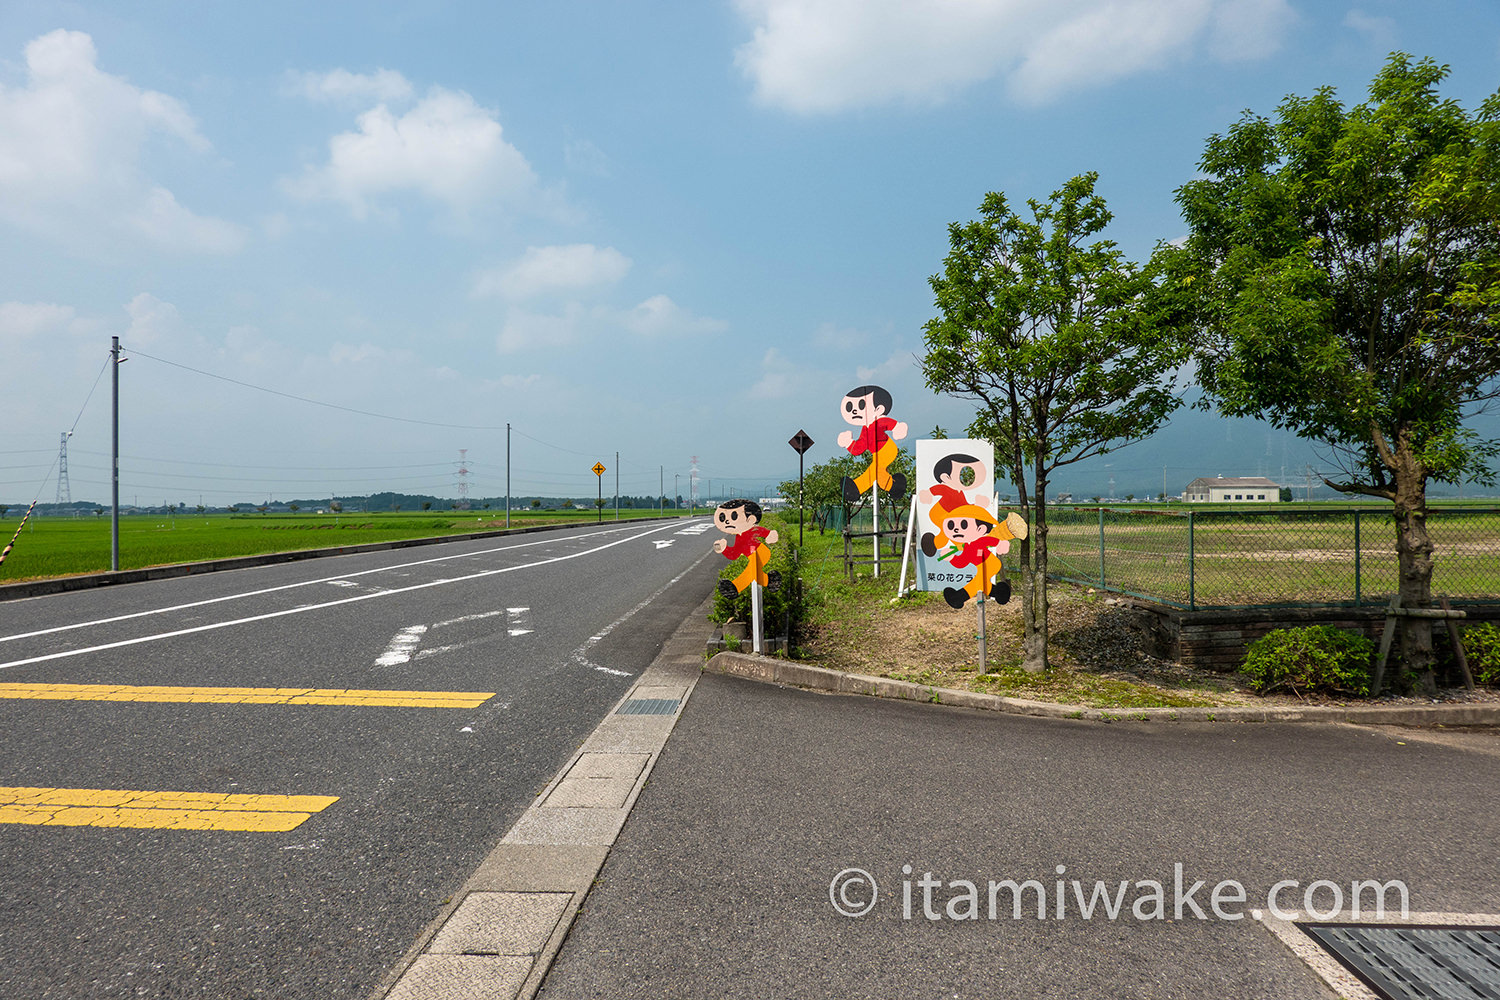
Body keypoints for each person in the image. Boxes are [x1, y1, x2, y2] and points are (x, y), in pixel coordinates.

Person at [836, 384, 907, 503]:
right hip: (877, 454)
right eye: (850, 407)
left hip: (887, 449)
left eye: (861, 405)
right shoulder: (865, 430)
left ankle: (857, 488)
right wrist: (848, 443)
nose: (854, 410)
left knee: (875, 470)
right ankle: (894, 487)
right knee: (879, 474)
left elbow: (890, 424)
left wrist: (898, 428)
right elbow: (859, 447)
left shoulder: (880, 421)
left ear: (878, 409)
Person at [712, 498, 780, 598]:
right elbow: (735, 554)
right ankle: (770, 580)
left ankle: (736, 587)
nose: (727, 521)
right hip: (753, 556)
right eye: (723, 518)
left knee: (751, 568)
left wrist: (770, 535)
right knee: (754, 573)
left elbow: (763, 532)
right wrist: (724, 549)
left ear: (751, 519)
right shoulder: (739, 538)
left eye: (734, 516)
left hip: (761, 552)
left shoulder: (752, 530)